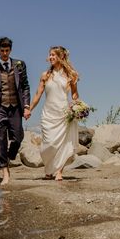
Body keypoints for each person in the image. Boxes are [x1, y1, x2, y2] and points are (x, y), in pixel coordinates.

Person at [0, 37, 31, 185]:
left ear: (10, 50)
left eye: (7, 50)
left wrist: (27, 106)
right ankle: (5, 173)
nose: (4, 53)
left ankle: (10, 155)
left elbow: (25, 86)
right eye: (2, 50)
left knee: (18, 137)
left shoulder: (19, 65)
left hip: (16, 108)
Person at [27, 46, 79, 181]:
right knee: (49, 144)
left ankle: (59, 172)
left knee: (62, 143)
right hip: (48, 114)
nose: (50, 57)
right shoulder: (45, 75)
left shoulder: (70, 75)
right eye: (49, 55)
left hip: (64, 114)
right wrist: (29, 109)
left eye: (53, 55)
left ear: (61, 57)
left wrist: (76, 106)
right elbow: (38, 94)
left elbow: (74, 94)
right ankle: (49, 169)